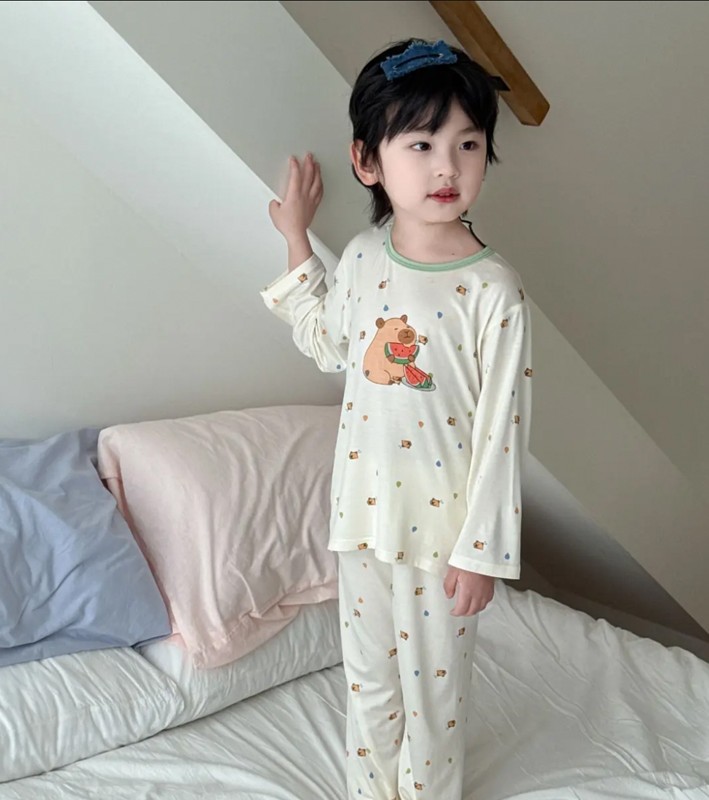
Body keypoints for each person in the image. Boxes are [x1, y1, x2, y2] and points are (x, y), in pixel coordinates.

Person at [260, 38, 533, 800]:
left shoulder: (493, 292)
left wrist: (481, 552)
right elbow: (328, 342)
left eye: (467, 145)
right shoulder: (361, 258)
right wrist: (295, 239)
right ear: (367, 160)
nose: (447, 167)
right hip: (361, 522)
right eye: (421, 144)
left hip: (442, 541)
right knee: (369, 683)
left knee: (433, 702)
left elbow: (504, 434)